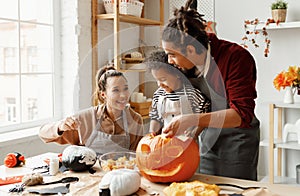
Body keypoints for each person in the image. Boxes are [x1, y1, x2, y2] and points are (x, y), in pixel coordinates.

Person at [160, 0, 260, 181]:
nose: (169, 61)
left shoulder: (236, 58)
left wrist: (191, 120)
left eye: (172, 54)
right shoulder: (185, 66)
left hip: (237, 140)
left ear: (190, 49)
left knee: (235, 191)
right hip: (208, 138)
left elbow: (240, 115)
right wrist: (192, 132)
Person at [39, 65, 144, 154]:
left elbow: (137, 157)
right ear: (104, 94)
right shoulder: (86, 119)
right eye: (116, 90)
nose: (123, 95)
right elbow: (43, 134)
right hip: (91, 176)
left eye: (125, 88)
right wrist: (60, 127)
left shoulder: (135, 119)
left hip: (122, 175)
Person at [145, 50, 210, 140]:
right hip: (166, 140)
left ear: (178, 74)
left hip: (188, 142)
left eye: (163, 79)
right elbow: (155, 117)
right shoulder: (158, 95)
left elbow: (205, 115)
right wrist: (152, 132)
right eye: (157, 80)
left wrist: (194, 133)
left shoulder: (191, 94)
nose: (159, 84)